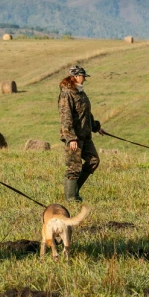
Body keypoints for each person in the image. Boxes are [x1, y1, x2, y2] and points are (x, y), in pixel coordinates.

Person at [58, 65, 105, 202]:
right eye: (83, 76)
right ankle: (71, 197)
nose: (84, 78)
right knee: (74, 166)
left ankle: (74, 190)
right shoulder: (67, 94)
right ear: (75, 77)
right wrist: (71, 138)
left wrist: (96, 127)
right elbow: (65, 117)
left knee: (93, 161)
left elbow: (86, 113)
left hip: (85, 136)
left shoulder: (81, 93)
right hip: (74, 137)